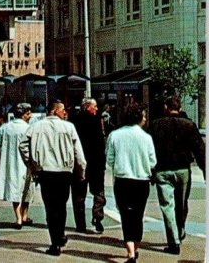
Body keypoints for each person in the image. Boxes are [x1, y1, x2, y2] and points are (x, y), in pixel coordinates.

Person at [19, 99, 86, 257]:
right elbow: (78, 153)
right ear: (55, 111)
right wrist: (81, 171)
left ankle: (55, 241)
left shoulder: (35, 127)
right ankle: (60, 234)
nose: (65, 113)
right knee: (61, 205)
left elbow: (22, 145)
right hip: (64, 171)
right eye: (63, 110)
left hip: (45, 171)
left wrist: (32, 164)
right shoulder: (69, 127)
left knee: (50, 207)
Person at [149, 95, 205, 255]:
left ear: (166, 107)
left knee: (167, 206)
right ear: (179, 108)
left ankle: (173, 241)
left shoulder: (156, 125)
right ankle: (180, 229)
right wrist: (204, 169)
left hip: (162, 170)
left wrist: (150, 171)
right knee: (181, 204)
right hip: (183, 169)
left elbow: (149, 150)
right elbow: (199, 149)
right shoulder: (189, 125)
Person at [106, 102, 157, 263]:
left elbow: (109, 159)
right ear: (139, 117)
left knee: (126, 216)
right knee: (138, 215)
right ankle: (136, 246)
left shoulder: (115, 135)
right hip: (141, 181)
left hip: (122, 180)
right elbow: (153, 161)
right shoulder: (146, 137)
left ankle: (130, 252)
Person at [70, 98, 107, 234]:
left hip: (79, 163)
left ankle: (80, 224)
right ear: (87, 107)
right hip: (96, 162)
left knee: (79, 195)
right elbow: (102, 142)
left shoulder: (74, 121)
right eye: (94, 106)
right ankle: (98, 216)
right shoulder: (98, 121)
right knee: (98, 192)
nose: (96, 109)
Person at [0, 103, 35, 229]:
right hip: (26, 163)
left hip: (10, 162)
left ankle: (18, 218)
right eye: (29, 113)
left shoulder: (6, 127)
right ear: (25, 115)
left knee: (14, 190)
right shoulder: (28, 128)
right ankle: (24, 216)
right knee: (27, 189)